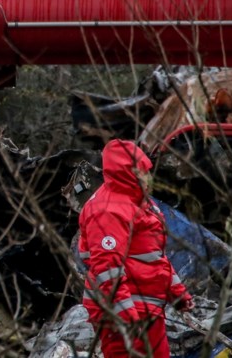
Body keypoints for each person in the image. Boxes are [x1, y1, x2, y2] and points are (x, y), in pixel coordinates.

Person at [79, 139, 193, 358]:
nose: (148, 177)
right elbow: (108, 272)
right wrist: (127, 320)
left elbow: (152, 255)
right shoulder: (108, 210)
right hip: (124, 315)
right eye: (142, 171)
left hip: (144, 310)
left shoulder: (135, 200)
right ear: (127, 173)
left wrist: (177, 292)